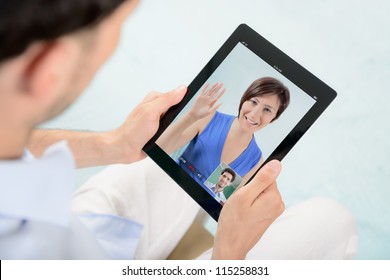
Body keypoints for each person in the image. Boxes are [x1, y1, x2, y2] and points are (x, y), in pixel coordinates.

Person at [0, 0, 358, 260]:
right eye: (116, 30)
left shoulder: (254, 156)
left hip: (88, 230)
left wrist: (114, 144)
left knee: (164, 168)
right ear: (49, 68)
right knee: (331, 220)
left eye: (268, 110)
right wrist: (229, 253)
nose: (256, 112)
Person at [157, 78, 290, 189]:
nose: (255, 114)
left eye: (267, 110)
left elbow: (224, 205)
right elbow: (159, 148)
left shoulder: (256, 161)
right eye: (254, 102)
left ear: (274, 118)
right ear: (244, 100)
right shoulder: (209, 118)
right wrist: (191, 116)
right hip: (165, 185)